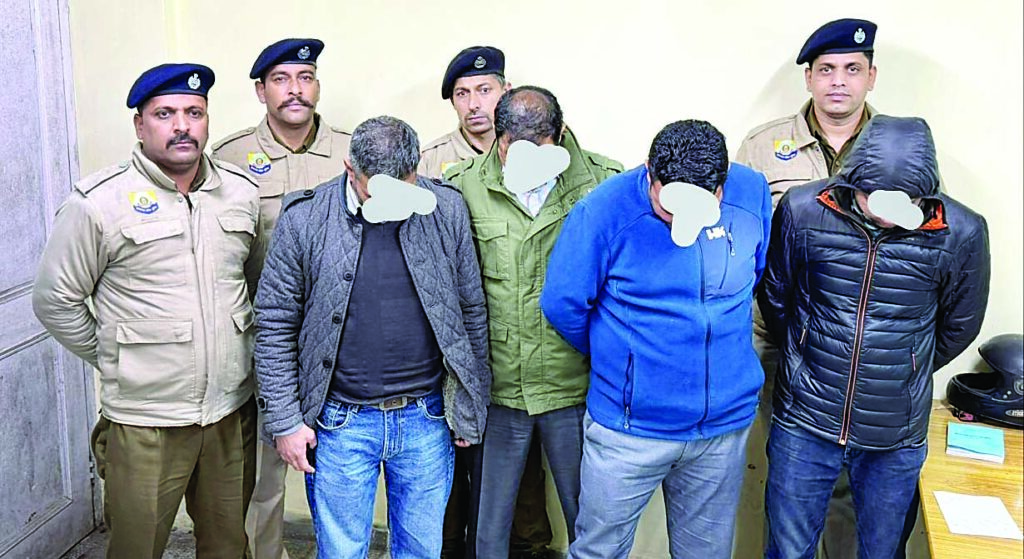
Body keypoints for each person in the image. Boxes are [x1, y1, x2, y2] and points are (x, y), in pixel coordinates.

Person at [32, 62, 264, 558]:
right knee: (136, 548)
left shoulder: (240, 192)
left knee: (228, 546)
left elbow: (255, 283)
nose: (182, 125)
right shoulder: (99, 203)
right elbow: (55, 299)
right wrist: (116, 354)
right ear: (140, 125)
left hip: (229, 412)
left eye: (194, 113)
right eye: (165, 114)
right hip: (146, 421)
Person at [253, 116, 491, 559]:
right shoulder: (304, 219)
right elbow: (274, 324)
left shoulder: (446, 209)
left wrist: (470, 405)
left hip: (426, 418)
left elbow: (471, 311)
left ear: (416, 170)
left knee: (421, 550)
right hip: (340, 424)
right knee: (342, 552)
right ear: (350, 169)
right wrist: (285, 421)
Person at [758, 115, 991, 559]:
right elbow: (776, 296)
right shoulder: (802, 209)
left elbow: (960, 324)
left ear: (925, 197)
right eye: (874, 197)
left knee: (880, 552)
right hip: (805, 419)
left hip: (894, 434)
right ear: (852, 183)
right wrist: (807, 348)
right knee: (787, 550)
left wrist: (906, 366)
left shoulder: (962, 232)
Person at [541, 119, 772, 559]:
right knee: (598, 551)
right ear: (650, 172)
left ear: (721, 188)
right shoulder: (602, 213)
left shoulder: (752, 193)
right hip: (629, 431)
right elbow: (563, 304)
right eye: (670, 206)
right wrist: (624, 360)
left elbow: (756, 275)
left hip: (721, 431)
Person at [444, 85, 622, 558]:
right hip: (501, 386)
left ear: (559, 136)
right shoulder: (463, 186)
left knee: (590, 520)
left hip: (574, 385)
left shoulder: (603, 184)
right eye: (513, 149)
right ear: (498, 138)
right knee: (489, 528)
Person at [734, 18, 878, 558]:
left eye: (852, 69)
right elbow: (738, 242)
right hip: (779, 337)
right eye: (826, 69)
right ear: (809, 78)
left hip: (863, 346)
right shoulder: (763, 146)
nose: (838, 81)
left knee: (852, 481)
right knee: (788, 473)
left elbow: (932, 246)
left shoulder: (899, 147)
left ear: (871, 77)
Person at [211, 37, 351, 559]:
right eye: (281, 80)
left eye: (305, 78)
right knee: (264, 477)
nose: (295, 90)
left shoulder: (351, 151)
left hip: (339, 339)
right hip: (265, 340)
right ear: (261, 91)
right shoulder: (228, 158)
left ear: (317, 86)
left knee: (341, 472)